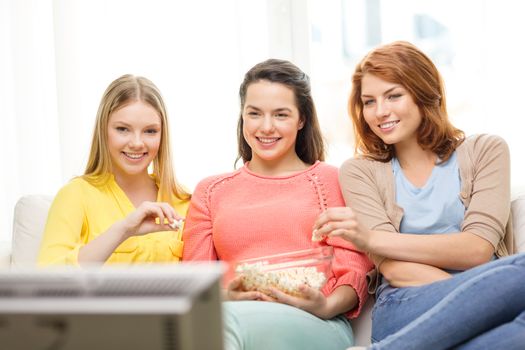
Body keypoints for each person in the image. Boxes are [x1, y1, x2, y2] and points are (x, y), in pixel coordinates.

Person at [313, 41, 525, 349]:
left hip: (492, 296)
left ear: (426, 93)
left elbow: (477, 249)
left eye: (394, 95)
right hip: (405, 303)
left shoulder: (486, 151)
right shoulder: (360, 172)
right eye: (369, 101)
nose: (380, 112)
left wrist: (371, 239)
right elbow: (393, 267)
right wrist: (480, 298)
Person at [182, 59, 373, 350]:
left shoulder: (332, 181)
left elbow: (354, 271)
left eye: (281, 114)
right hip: (234, 318)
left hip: (316, 322)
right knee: (209, 325)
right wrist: (226, 297)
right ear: (242, 116)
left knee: (220, 326)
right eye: (254, 114)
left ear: (301, 119)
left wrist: (325, 305)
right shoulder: (210, 191)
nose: (266, 127)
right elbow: (196, 284)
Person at [38, 74, 190, 266]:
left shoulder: (185, 202)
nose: (136, 143)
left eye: (150, 131)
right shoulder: (76, 195)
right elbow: (47, 278)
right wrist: (124, 229)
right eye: (122, 129)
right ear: (104, 130)